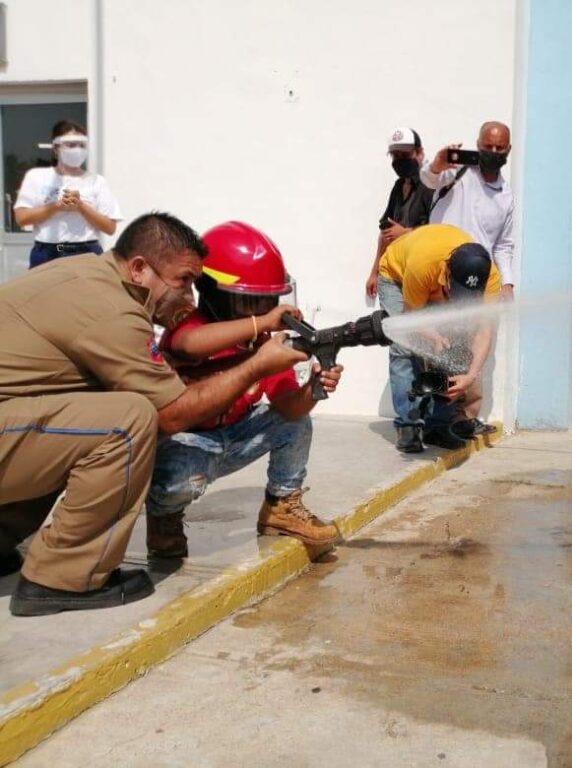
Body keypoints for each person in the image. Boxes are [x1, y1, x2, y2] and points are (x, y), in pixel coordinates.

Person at [0, 212, 308, 616]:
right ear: (140, 269)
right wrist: (254, 365)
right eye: (182, 281)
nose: (189, 298)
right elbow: (172, 415)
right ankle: (60, 579)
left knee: (80, 416)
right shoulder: (114, 311)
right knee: (128, 420)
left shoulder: (83, 273)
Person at [146, 221, 342, 558]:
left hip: (233, 436)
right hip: (186, 443)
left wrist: (311, 389)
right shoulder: (187, 322)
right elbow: (190, 345)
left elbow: (287, 408)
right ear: (216, 292)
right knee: (174, 478)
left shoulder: (261, 341)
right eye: (253, 302)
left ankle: (281, 508)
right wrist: (263, 325)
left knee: (294, 424)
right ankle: (164, 518)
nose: (264, 312)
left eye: (267, 303)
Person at [420, 120, 514, 436]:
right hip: (444, 279)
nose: (493, 152)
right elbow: (429, 180)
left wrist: (508, 283)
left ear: (508, 151)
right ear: (478, 144)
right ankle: (435, 421)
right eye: (488, 146)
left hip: (481, 283)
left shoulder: (505, 195)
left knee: (475, 348)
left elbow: (504, 244)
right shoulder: (457, 175)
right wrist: (438, 161)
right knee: (442, 347)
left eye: (500, 148)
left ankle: (464, 418)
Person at [376, 223, 500, 453]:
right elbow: (410, 317)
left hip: (431, 283)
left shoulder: (491, 279)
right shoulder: (424, 265)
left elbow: (484, 331)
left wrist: (470, 376)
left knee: (452, 349)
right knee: (403, 346)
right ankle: (409, 425)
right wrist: (434, 336)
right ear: (448, 273)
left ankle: (438, 427)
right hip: (397, 276)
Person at [13, 120, 122, 269]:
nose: (77, 149)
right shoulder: (36, 176)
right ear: (56, 148)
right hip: (47, 252)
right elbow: (21, 218)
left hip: (86, 251)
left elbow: (110, 228)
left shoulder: (97, 181)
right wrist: (57, 206)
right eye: (71, 144)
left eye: (81, 145)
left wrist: (81, 206)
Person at [365, 128, 434, 300]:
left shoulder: (431, 187)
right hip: (394, 276)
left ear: (419, 153)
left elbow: (439, 230)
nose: (399, 161)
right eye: (395, 156)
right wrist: (375, 272)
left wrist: (405, 233)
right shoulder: (398, 186)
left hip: (421, 275)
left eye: (405, 155)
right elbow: (385, 233)